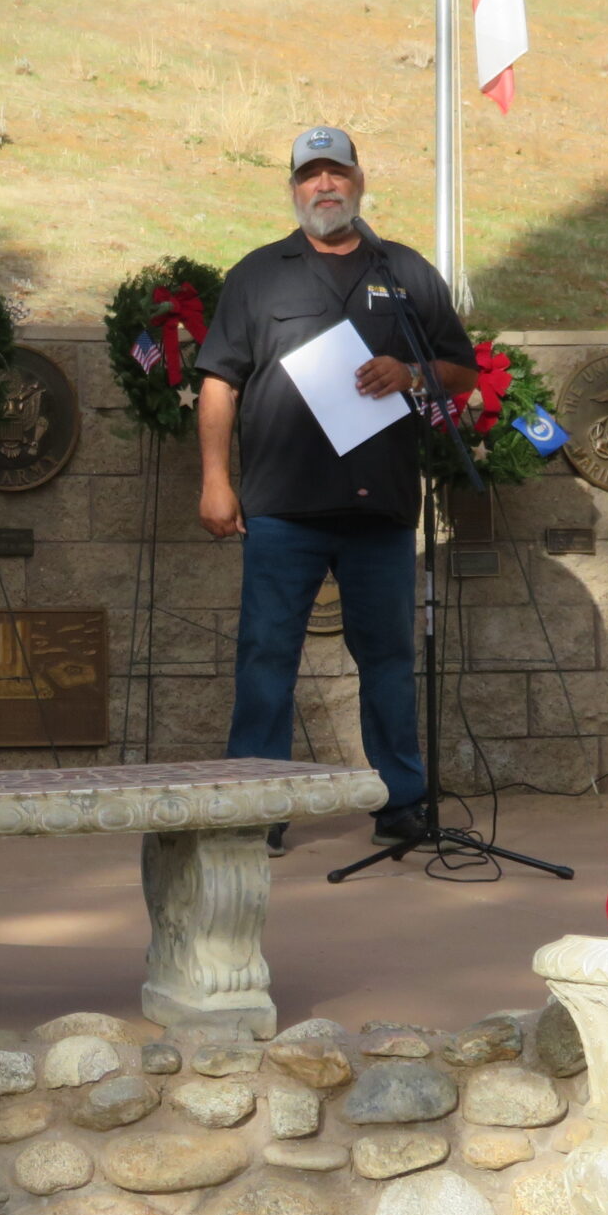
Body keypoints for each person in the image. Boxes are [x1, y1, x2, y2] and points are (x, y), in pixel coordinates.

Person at [193, 125, 477, 852]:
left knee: (388, 659)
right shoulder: (258, 275)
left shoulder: (406, 271)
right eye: (311, 176)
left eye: (337, 174)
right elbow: (220, 383)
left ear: (359, 181)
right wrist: (216, 481)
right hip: (283, 508)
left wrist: (410, 373)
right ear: (293, 190)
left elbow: (458, 368)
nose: (325, 187)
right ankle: (257, 803)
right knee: (266, 656)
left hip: (380, 508)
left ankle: (401, 802)